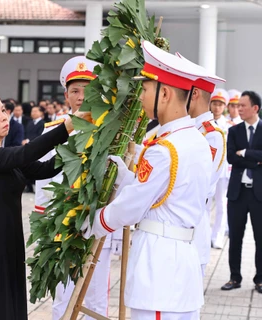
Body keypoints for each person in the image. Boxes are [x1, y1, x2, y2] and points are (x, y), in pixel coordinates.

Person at [82, 41, 212, 319]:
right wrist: (128, 177)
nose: (141, 95)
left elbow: (130, 209)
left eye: (146, 88)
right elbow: (167, 195)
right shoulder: (195, 140)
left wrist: (92, 222)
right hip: (181, 267)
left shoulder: (164, 150)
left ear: (164, 93)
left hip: (159, 271)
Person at [0, 90, 90, 320]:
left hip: (9, 244)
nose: (4, 116)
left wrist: (84, 143)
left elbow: (47, 168)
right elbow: (27, 152)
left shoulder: (4, 156)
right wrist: (68, 126)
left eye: (3, 110)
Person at [34, 55, 119, 320]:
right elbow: (43, 183)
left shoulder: (111, 131)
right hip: (62, 228)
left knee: (95, 300)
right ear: (66, 95)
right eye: (75, 91)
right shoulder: (53, 131)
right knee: (63, 297)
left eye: (87, 90)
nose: (81, 97)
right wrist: (43, 225)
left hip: (97, 225)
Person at [176, 52, 226, 278]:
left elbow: (202, 186)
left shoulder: (211, 135)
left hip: (193, 222)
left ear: (194, 94)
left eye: (182, 91)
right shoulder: (188, 129)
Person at [222, 91, 262, 293]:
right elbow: (231, 158)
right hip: (237, 193)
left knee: (260, 238)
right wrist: (257, 160)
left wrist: (245, 153)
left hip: (259, 195)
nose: (239, 109)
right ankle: (234, 277)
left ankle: (260, 279)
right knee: (235, 237)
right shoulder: (234, 131)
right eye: (238, 105)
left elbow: (240, 156)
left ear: (255, 108)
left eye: (243, 106)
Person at [209, 89, 231, 249]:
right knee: (205, 203)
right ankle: (204, 234)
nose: (217, 107)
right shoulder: (205, 124)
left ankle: (217, 236)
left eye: (220, 104)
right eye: (215, 103)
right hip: (208, 169)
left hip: (223, 170)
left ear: (225, 107)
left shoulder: (230, 126)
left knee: (222, 203)